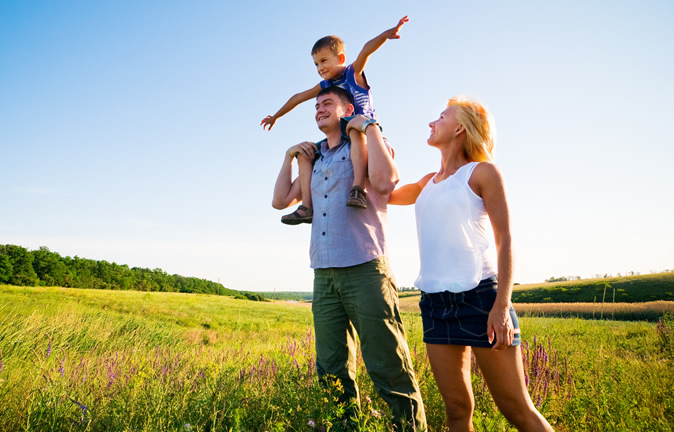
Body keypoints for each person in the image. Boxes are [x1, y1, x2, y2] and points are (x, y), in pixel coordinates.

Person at [389, 97, 554, 431]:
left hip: (480, 299)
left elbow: (505, 240)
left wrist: (501, 306)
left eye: (440, 117)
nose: (431, 122)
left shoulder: (483, 173)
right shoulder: (426, 183)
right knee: (456, 409)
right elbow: (384, 193)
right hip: (435, 304)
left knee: (515, 407)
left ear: (460, 128)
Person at [272, 86, 426, 430]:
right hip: (324, 274)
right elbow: (280, 200)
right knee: (331, 368)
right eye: (315, 106)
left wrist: (370, 126)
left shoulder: (366, 147)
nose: (318, 109)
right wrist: (288, 157)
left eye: (326, 103)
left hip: (365, 268)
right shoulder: (316, 160)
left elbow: (386, 183)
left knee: (388, 362)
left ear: (347, 109)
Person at [263, 16, 409, 224]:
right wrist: (276, 115)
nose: (319, 68)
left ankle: (357, 188)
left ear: (340, 59)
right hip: (341, 134)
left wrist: (386, 34)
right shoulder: (325, 85)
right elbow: (298, 97)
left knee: (353, 129)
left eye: (323, 61)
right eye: (316, 64)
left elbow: (366, 50)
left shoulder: (352, 73)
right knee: (306, 154)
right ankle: (306, 206)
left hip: (362, 127)